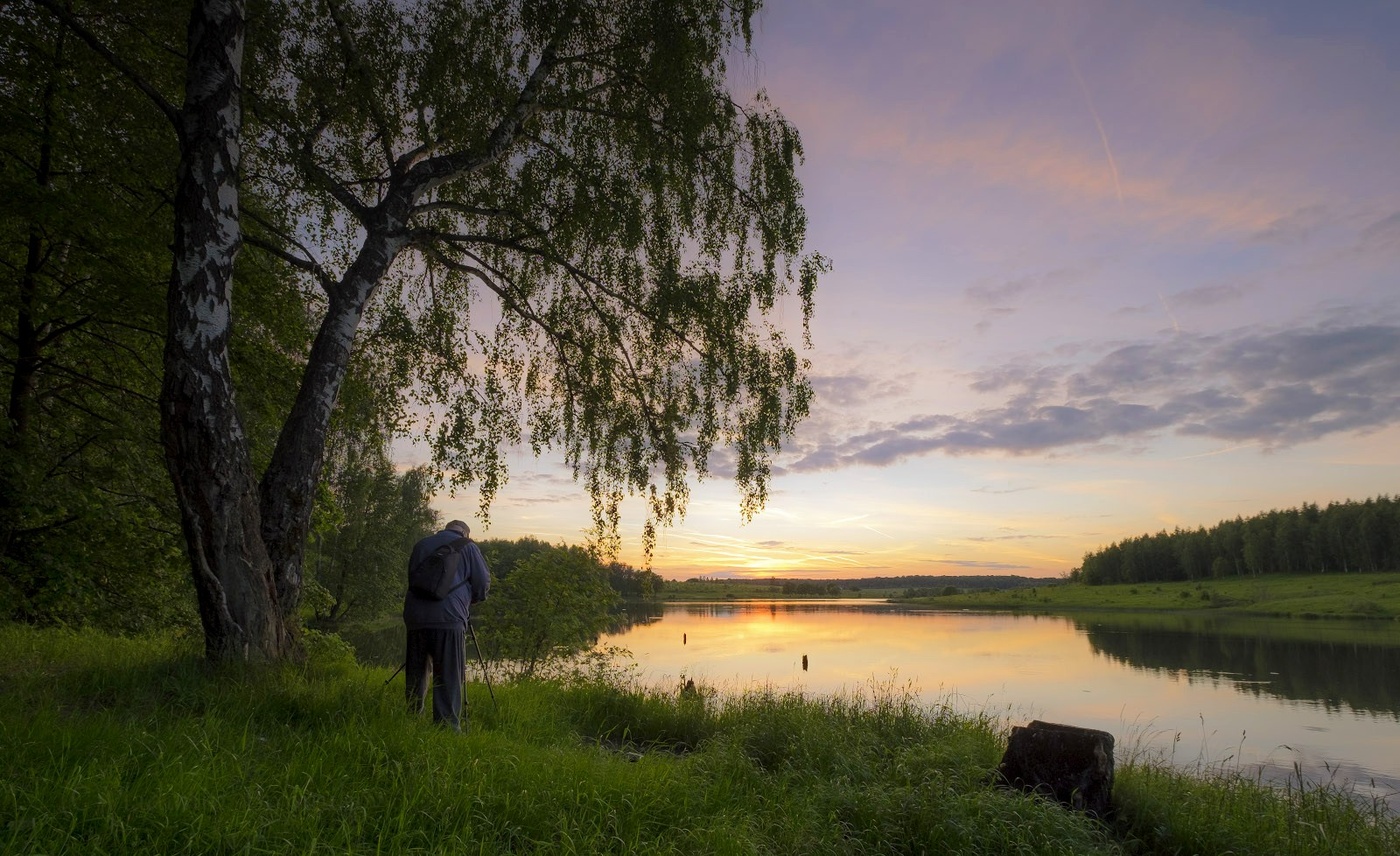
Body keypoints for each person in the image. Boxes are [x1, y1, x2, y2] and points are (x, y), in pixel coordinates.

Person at [403, 519, 491, 729]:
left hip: (416, 617)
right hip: (449, 618)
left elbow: (413, 579)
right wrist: (471, 600)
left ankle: (411, 719)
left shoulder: (421, 545)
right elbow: (482, 583)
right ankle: (446, 727)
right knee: (448, 674)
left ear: (445, 529)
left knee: (416, 672)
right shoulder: (468, 547)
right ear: (465, 533)